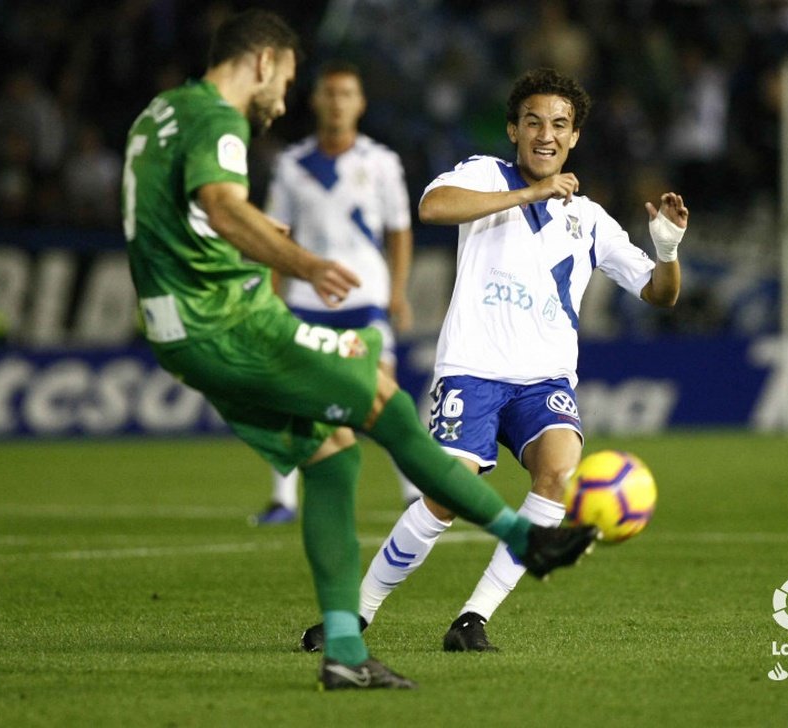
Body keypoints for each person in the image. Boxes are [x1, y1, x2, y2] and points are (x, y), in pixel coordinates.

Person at [121, 10, 598, 691]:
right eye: (286, 79)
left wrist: (255, 230)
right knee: (384, 402)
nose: (284, 98)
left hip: (172, 325)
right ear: (261, 63)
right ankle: (525, 539)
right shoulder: (215, 120)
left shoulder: (157, 114)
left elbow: (191, 214)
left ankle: (345, 649)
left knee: (333, 455)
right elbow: (223, 208)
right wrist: (302, 261)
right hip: (227, 317)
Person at [300, 67, 688, 653]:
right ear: (513, 128)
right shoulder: (485, 175)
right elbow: (432, 207)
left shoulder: (590, 219)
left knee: (557, 474)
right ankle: (356, 614)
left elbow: (661, 294)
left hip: (544, 379)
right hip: (473, 369)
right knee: (449, 494)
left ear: (575, 136)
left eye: (560, 124)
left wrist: (667, 250)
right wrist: (530, 194)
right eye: (533, 121)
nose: (546, 134)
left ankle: (472, 619)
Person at [252, 60, 421, 526]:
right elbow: (275, 236)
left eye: (347, 94)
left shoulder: (381, 163)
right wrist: (272, 296)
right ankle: (283, 500)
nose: (337, 102)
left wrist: (399, 292)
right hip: (306, 299)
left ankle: (413, 492)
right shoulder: (291, 164)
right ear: (316, 100)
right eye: (330, 93)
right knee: (291, 397)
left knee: (381, 391)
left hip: (366, 294)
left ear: (360, 103)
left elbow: (399, 231)